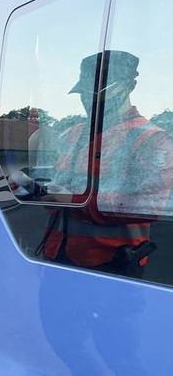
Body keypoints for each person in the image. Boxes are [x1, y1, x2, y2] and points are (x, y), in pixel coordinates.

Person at [37, 50, 173, 277]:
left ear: (128, 86)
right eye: (84, 92)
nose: (87, 99)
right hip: (56, 258)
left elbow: (146, 204)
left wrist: (73, 201)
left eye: (96, 91)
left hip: (113, 268)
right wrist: (37, 189)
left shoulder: (151, 139)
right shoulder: (73, 134)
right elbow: (58, 185)